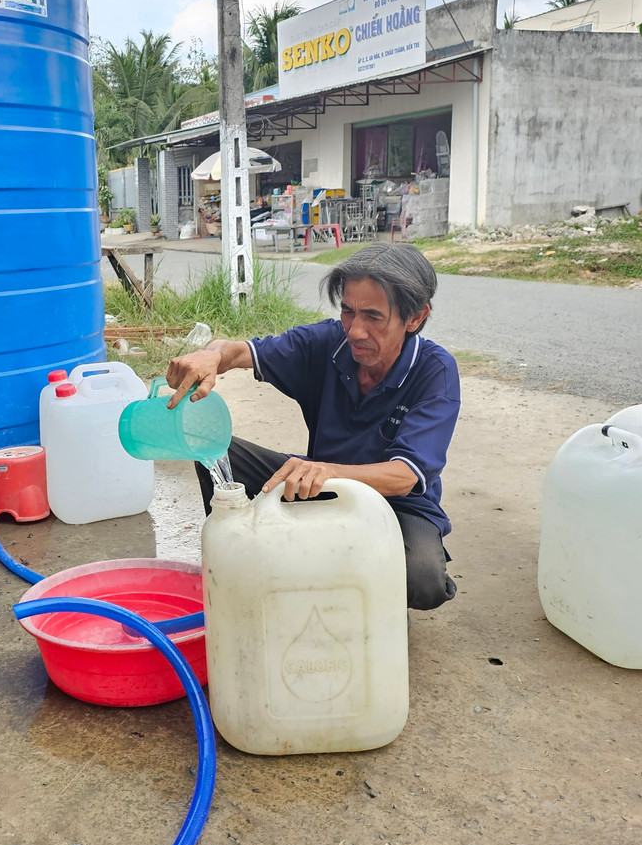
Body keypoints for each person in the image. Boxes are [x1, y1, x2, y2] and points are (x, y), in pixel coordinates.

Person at [165, 242, 460, 610]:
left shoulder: (435, 371)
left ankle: (366, 595)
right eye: (348, 312)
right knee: (216, 450)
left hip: (397, 505)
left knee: (422, 579)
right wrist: (212, 354)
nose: (355, 330)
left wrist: (327, 470)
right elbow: (241, 351)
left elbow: (405, 476)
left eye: (373, 316)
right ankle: (239, 556)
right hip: (316, 487)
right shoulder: (327, 344)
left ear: (415, 317)